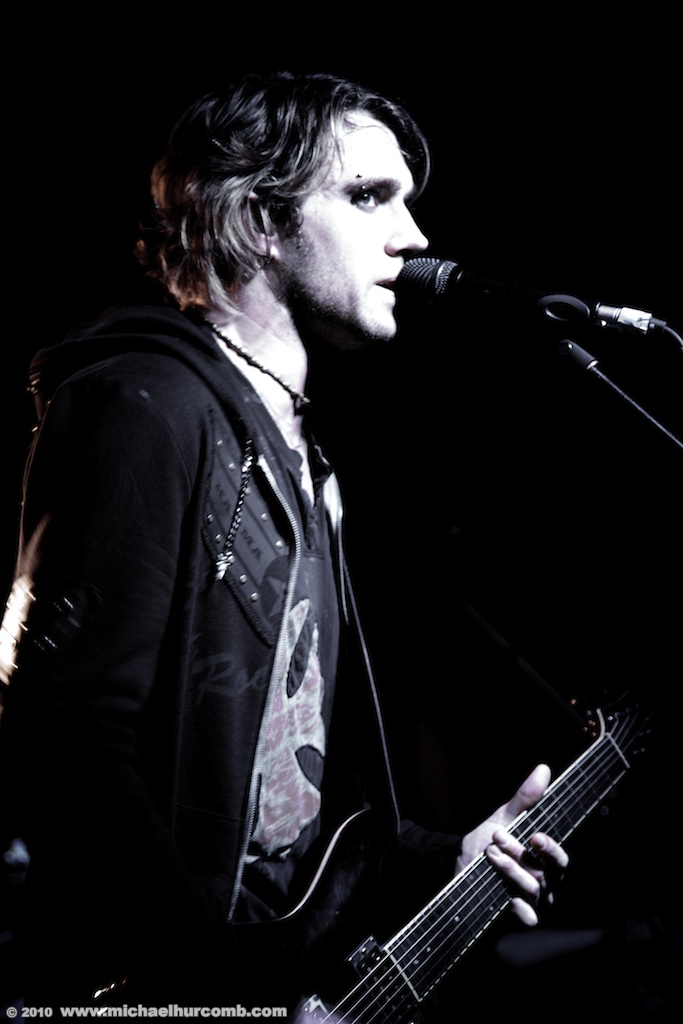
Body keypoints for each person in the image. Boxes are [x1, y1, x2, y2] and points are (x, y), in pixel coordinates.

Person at [0, 71, 568, 1014]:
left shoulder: (305, 462)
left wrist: (438, 858)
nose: (413, 236)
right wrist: (226, 995)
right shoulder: (147, 405)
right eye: (367, 196)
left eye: (406, 201)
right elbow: (66, 743)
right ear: (261, 220)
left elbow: (291, 796)